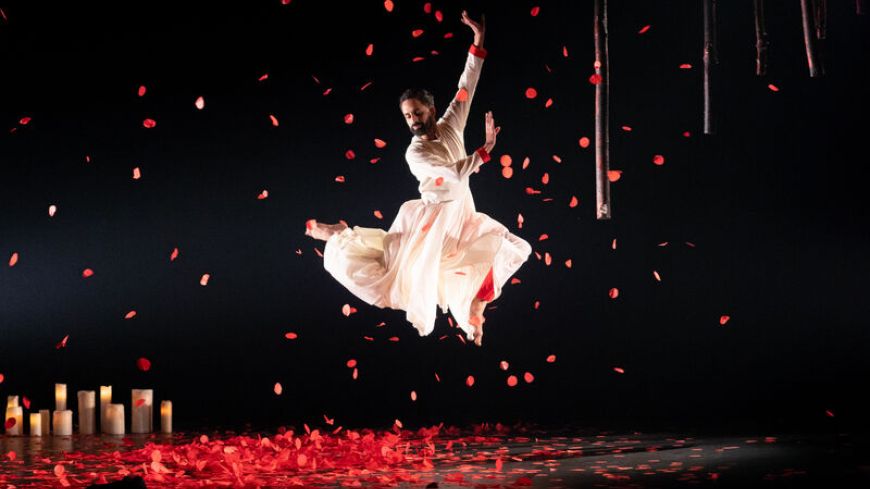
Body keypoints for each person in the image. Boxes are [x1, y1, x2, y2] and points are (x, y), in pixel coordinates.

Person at [306, 11, 531, 346]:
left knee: (515, 248)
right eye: (408, 115)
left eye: (419, 113)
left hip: (462, 216)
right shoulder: (416, 154)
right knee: (392, 273)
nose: (413, 120)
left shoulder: (451, 123)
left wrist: (478, 41)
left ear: (431, 109)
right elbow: (449, 177)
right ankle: (339, 236)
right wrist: (483, 153)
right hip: (434, 220)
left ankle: (475, 310)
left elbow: (466, 86)